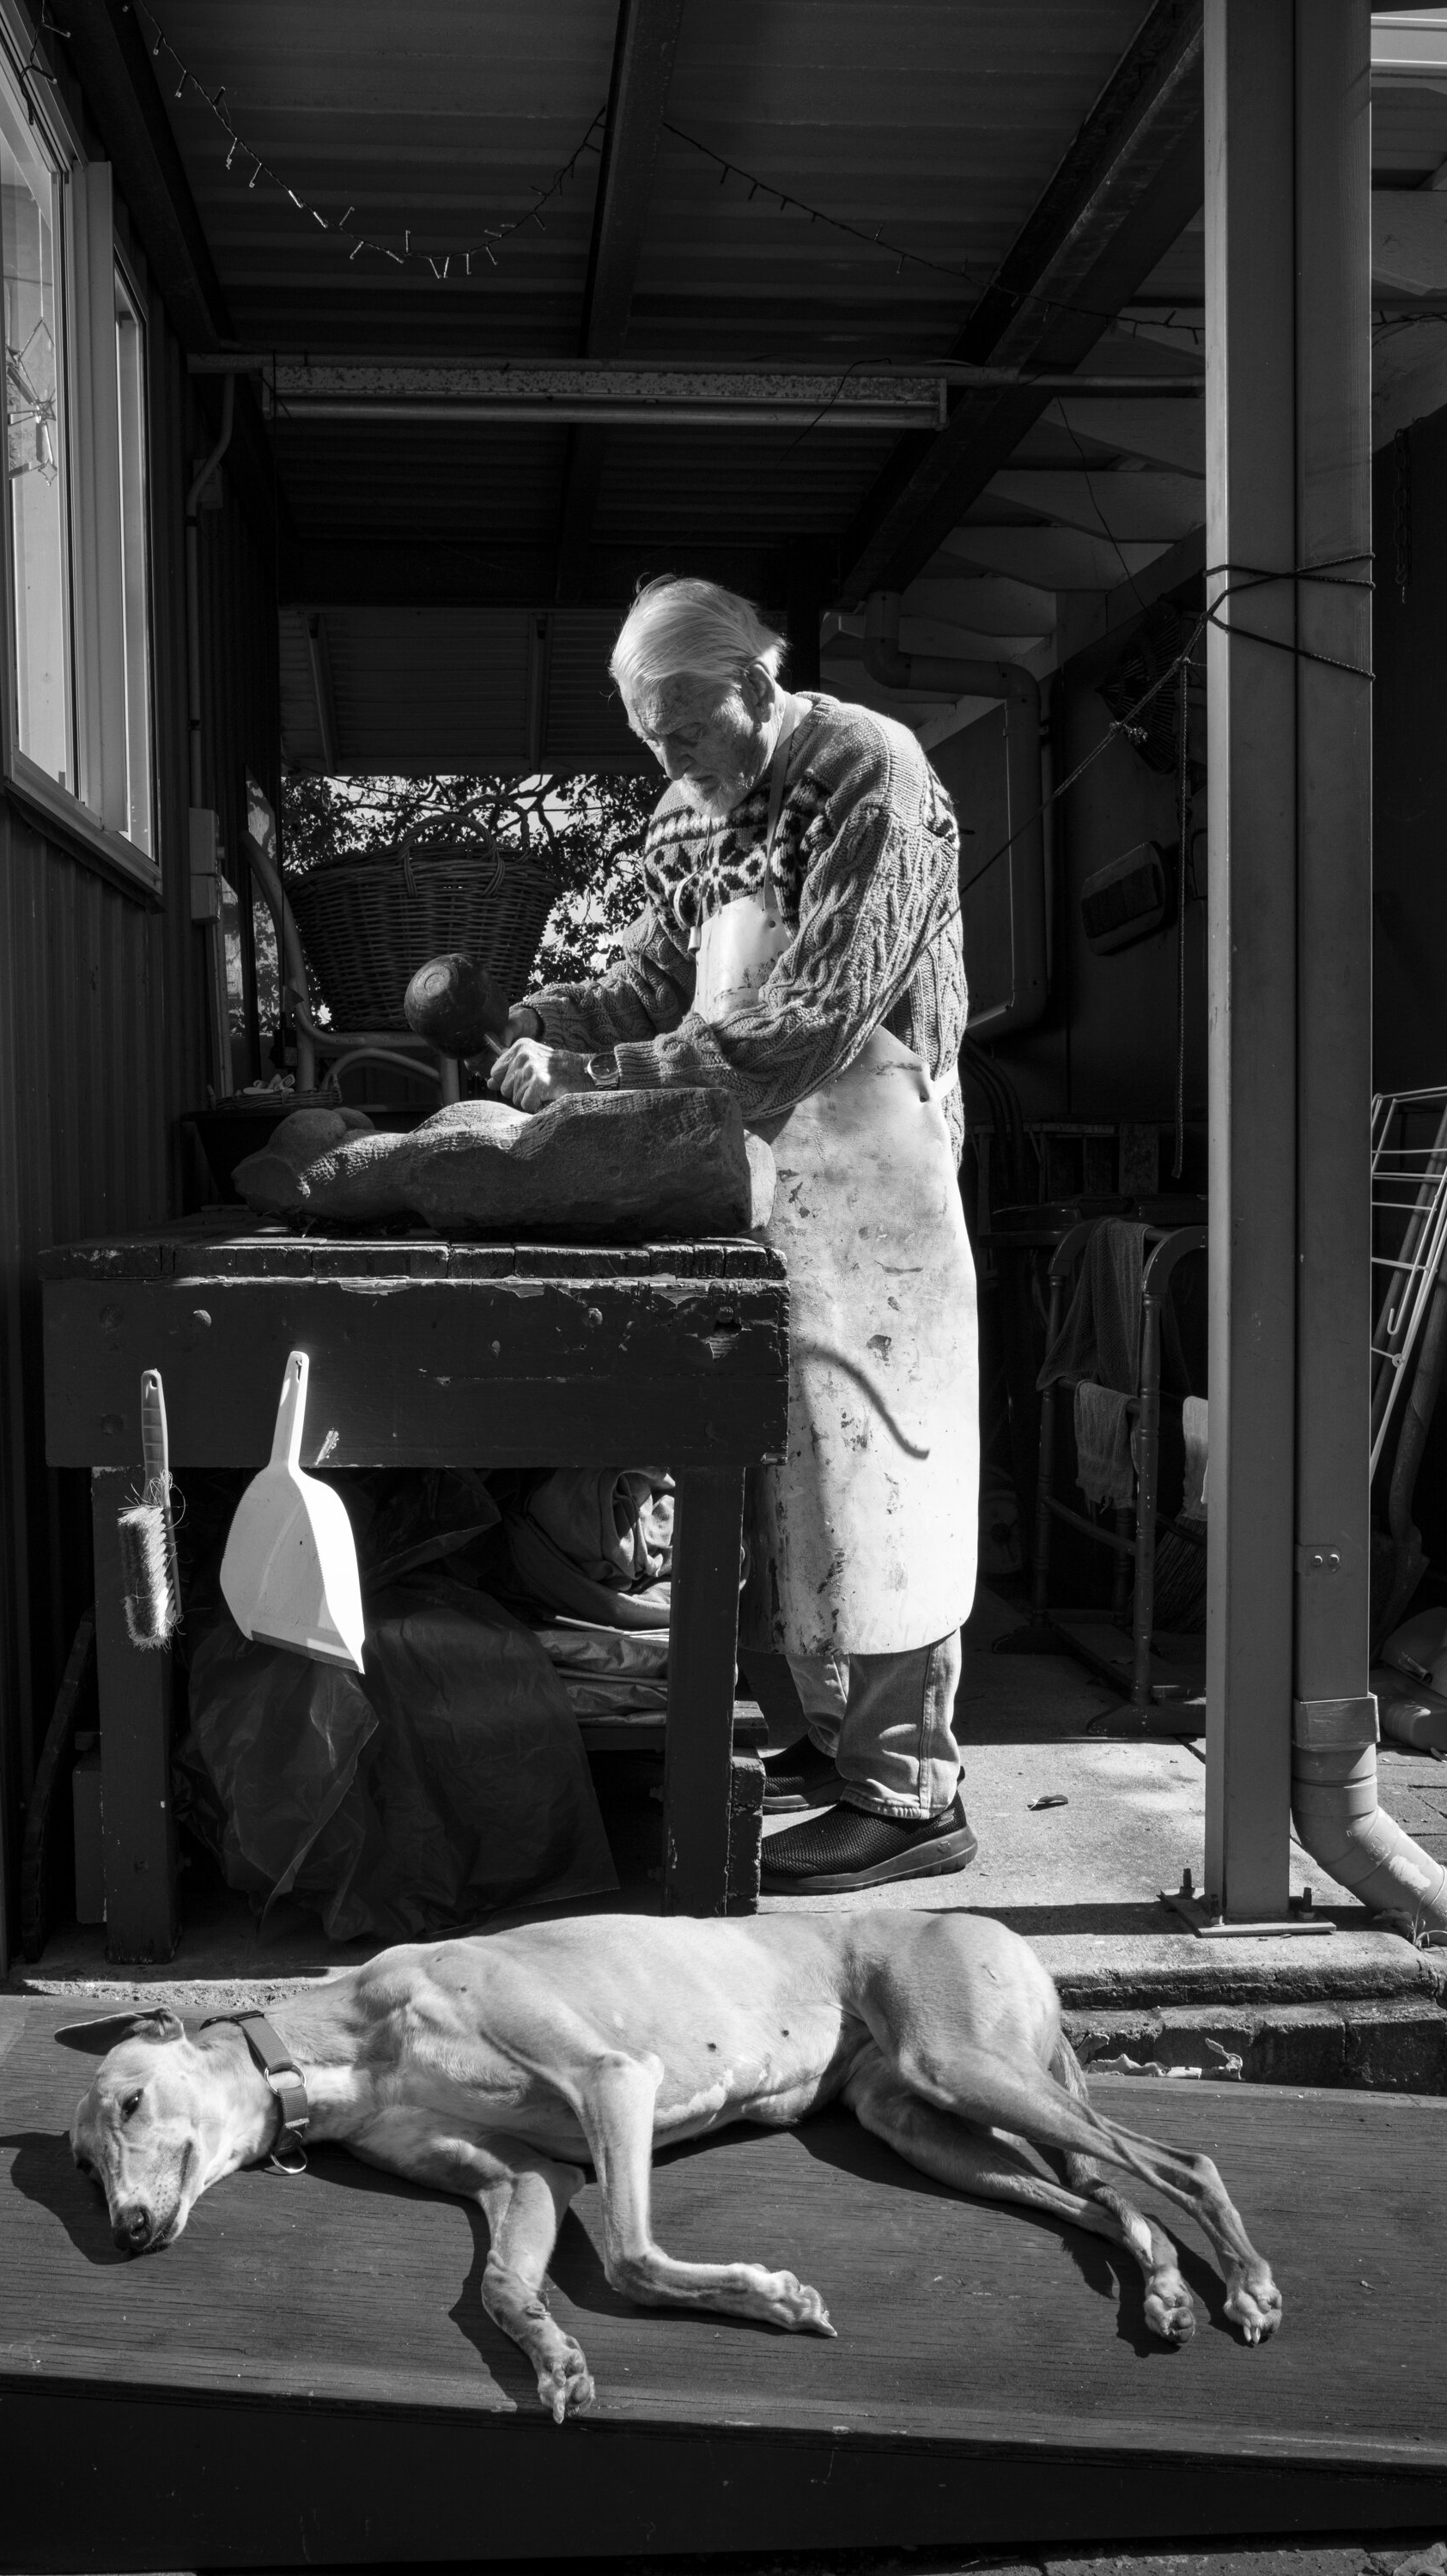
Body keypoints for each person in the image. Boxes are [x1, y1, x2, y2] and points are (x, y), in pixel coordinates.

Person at [488, 575, 980, 1894]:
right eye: (653, 742)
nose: (673, 763)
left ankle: (910, 1791)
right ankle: (828, 1744)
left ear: (758, 687)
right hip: (753, 1166)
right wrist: (542, 1022)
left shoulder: (870, 770)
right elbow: (654, 976)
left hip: (876, 1163)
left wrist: (597, 1082)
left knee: (882, 1460)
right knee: (772, 1458)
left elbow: (820, 1013)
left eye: (689, 733)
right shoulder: (688, 809)